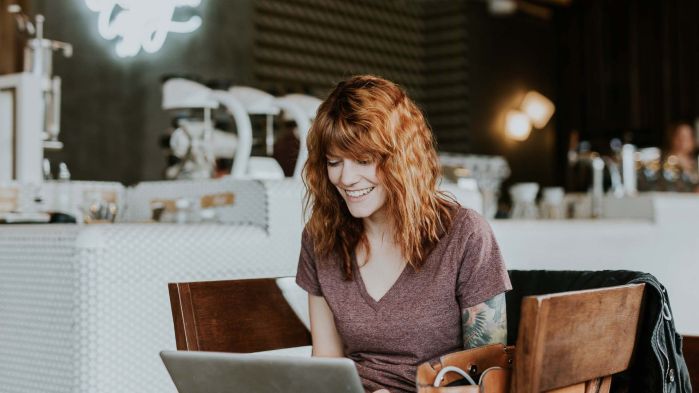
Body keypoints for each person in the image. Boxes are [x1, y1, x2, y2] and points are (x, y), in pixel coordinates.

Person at [295, 75, 511, 393]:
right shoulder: (320, 238)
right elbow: (327, 365)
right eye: (334, 162)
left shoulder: (465, 235)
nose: (346, 178)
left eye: (364, 160)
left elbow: (491, 380)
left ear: (401, 159)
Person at [664, 121, 699, 193]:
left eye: (686, 137)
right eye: (679, 136)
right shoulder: (666, 163)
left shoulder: (696, 162)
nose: (682, 141)